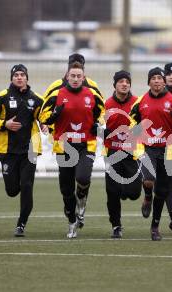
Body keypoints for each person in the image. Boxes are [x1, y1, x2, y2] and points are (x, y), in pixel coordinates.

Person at [129, 67, 172, 241]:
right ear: (149, 82)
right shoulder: (141, 102)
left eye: (160, 78)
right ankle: (147, 196)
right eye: (154, 78)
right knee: (149, 179)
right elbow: (131, 122)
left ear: (164, 81)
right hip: (148, 148)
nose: (157, 81)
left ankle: (155, 226)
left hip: (169, 150)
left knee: (163, 191)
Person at [39, 61, 104, 238]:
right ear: (67, 76)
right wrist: (54, 116)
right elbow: (43, 117)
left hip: (86, 144)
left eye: (78, 76)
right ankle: (72, 220)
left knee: (83, 177)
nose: (75, 79)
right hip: (64, 145)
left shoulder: (92, 94)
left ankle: (81, 205)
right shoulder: (56, 94)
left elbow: (103, 112)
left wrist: (98, 124)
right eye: (72, 76)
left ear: (84, 78)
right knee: (66, 190)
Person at [0, 64, 45, 237]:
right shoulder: (2, 97)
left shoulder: (36, 99)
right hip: (8, 151)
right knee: (12, 190)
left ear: (27, 77)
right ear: (12, 78)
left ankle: (21, 225)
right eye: (16, 75)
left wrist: (46, 124)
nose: (19, 77)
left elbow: (45, 116)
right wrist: (4, 124)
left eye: (22, 75)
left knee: (27, 186)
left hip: (30, 151)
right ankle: (14, 186)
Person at [103, 70, 142, 239]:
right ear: (115, 85)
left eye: (127, 81)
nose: (124, 84)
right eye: (121, 81)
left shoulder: (137, 103)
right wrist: (102, 132)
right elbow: (98, 125)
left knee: (133, 193)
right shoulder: (106, 104)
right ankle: (116, 226)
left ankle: (126, 190)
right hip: (112, 153)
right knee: (112, 191)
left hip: (132, 154)